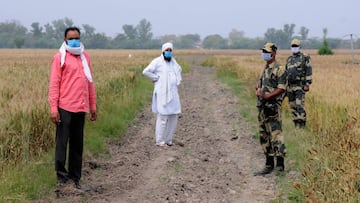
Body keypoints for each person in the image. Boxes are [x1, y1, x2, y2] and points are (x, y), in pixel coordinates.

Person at [48, 26, 97, 190]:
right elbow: (54, 84)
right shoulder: (59, 58)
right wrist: (53, 108)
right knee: (62, 144)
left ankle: (75, 179)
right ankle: (62, 180)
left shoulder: (85, 57)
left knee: (77, 145)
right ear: (65, 40)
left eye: (77, 37)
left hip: (81, 107)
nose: (74, 40)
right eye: (71, 38)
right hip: (64, 107)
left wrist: (93, 106)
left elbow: (89, 83)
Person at [254, 42, 287, 176]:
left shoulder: (280, 69)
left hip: (273, 106)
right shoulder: (264, 68)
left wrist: (268, 96)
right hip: (262, 106)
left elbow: (281, 88)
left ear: (273, 53)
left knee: (276, 134)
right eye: (263, 52)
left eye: (267, 52)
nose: (264, 54)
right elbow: (259, 85)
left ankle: (280, 165)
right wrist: (258, 91)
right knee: (264, 134)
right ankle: (268, 164)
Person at [142, 42, 182, 147]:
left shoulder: (174, 63)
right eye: (167, 50)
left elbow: (178, 72)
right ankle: (160, 141)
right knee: (163, 117)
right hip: (162, 93)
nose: (169, 52)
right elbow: (146, 71)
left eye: (170, 50)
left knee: (173, 116)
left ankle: (169, 140)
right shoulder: (157, 62)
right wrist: (156, 78)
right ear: (163, 51)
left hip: (173, 93)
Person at [285, 39, 312, 128]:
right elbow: (286, 72)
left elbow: (308, 69)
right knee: (292, 106)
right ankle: (296, 124)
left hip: (300, 85)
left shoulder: (305, 57)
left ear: (300, 47)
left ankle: (302, 124)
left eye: (296, 46)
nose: (294, 48)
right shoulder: (289, 59)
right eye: (293, 46)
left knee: (299, 105)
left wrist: (307, 84)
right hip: (290, 86)